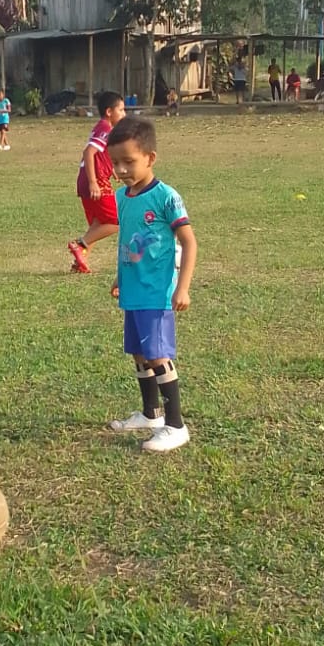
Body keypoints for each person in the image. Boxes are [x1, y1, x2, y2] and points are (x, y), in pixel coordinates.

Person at [104, 116, 197, 454]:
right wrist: (121, 275)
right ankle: (150, 414)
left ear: (150, 158)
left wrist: (182, 288)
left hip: (156, 292)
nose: (121, 170)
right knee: (140, 353)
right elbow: (129, 242)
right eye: (115, 162)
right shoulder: (122, 197)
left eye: (129, 161)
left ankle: (176, 426)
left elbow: (189, 242)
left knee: (158, 355)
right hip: (133, 289)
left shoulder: (166, 197)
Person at [68, 90, 126, 274]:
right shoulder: (105, 129)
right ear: (109, 112)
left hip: (86, 180)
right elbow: (89, 152)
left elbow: (100, 155)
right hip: (94, 181)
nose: (124, 114)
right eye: (121, 110)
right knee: (116, 221)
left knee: (98, 223)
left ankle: (80, 261)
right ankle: (79, 245)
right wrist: (94, 182)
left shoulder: (102, 128)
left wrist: (112, 170)